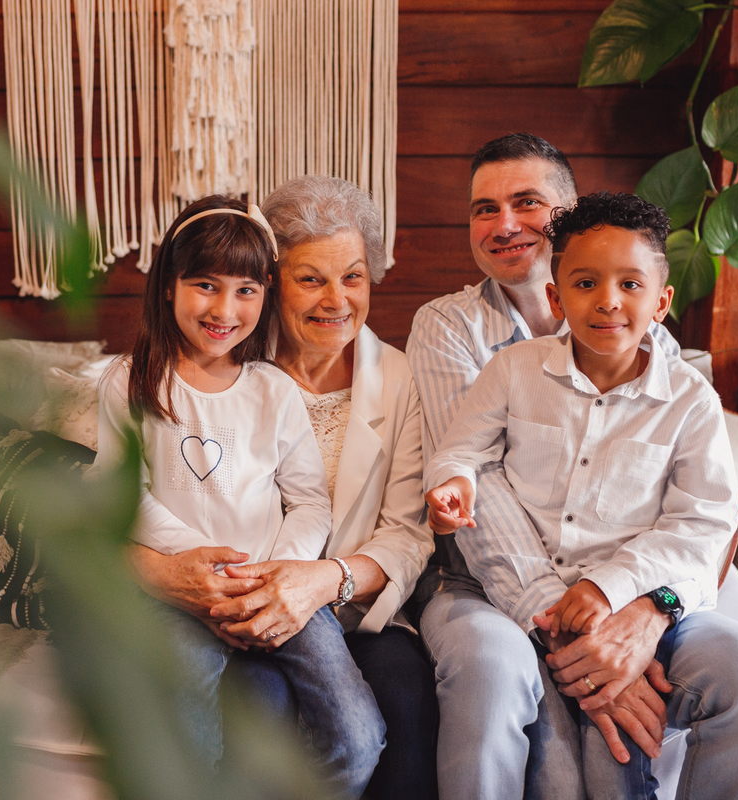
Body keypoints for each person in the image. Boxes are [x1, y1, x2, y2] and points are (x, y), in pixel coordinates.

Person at [423, 192, 738, 798]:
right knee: (556, 746)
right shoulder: (513, 371)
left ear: (662, 301)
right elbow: (461, 452)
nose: (608, 300)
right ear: (555, 297)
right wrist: (455, 484)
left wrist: (614, 591)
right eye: (586, 282)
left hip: (641, 600)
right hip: (508, 596)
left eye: (630, 283)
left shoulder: (689, 399)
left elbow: (702, 526)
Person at [95, 195, 385, 798]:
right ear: (168, 286)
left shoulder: (271, 390)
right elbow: (122, 492)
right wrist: (203, 567)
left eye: (246, 290)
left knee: (359, 732)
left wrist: (270, 574)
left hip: (275, 585)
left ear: (267, 295)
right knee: (181, 707)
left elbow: (308, 501)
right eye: (205, 285)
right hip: (182, 593)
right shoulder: (129, 382)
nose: (225, 308)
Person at [207, 175, 437, 799]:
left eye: (354, 276)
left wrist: (325, 579)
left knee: (408, 697)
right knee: (260, 702)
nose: (338, 299)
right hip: (245, 614)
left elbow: (408, 534)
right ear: (273, 279)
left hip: (356, 609)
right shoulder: (227, 370)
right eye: (312, 278)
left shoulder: (398, 375)